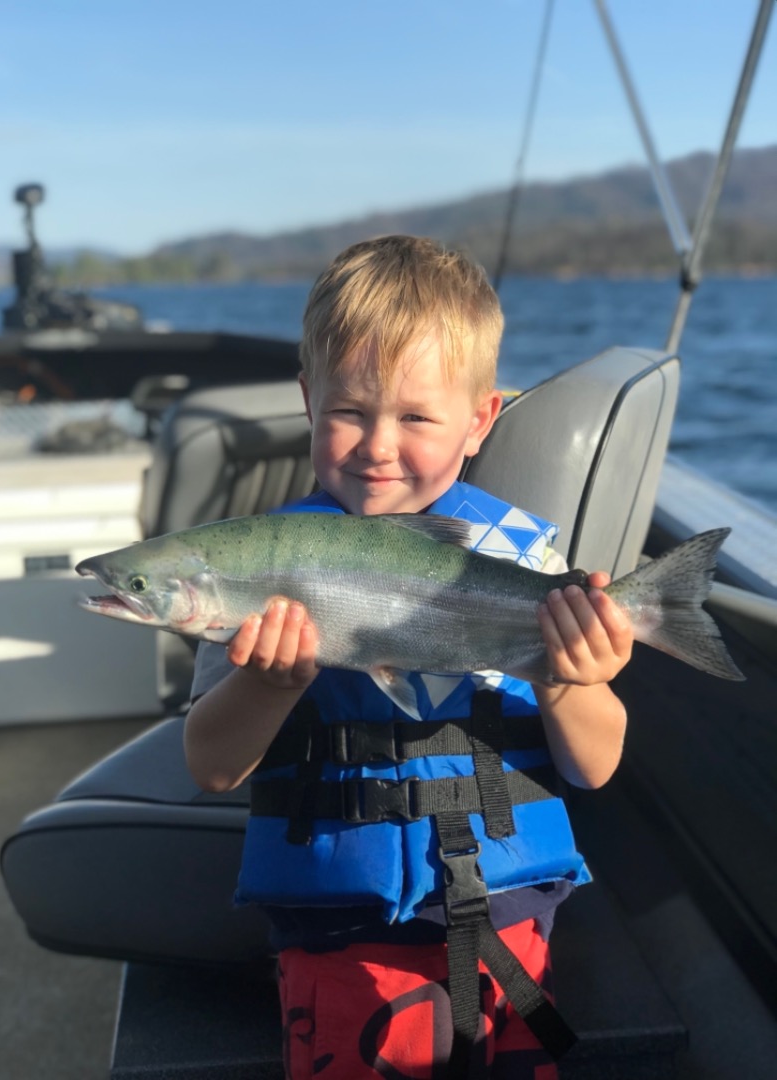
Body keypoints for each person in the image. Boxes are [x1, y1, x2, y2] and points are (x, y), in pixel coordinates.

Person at [184, 235, 632, 1079]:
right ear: (309, 400)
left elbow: (597, 764)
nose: (378, 447)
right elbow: (210, 764)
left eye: (416, 417)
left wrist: (572, 679)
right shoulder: (264, 563)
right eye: (351, 411)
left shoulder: (521, 565)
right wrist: (268, 689)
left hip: (513, 928)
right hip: (346, 941)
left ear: (480, 420)